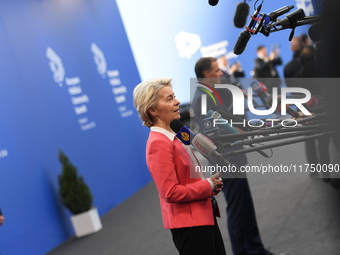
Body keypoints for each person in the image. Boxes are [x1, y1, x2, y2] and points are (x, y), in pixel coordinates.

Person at [191, 57, 276, 255]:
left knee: (246, 207)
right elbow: (214, 134)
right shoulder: (202, 96)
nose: (221, 74)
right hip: (226, 162)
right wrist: (242, 132)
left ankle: (256, 249)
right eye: (217, 70)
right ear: (207, 74)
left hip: (235, 158)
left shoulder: (212, 92)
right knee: (238, 211)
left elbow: (225, 119)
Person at [133, 78, 227, 255]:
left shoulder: (177, 133)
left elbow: (188, 177)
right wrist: (207, 185)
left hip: (203, 217)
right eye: (169, 99)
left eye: (174, 96)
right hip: (190, 227)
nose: (177, 102)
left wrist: (209, 185)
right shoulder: (157, 144)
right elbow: (170, 192)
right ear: (153, 110)